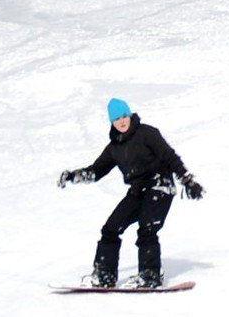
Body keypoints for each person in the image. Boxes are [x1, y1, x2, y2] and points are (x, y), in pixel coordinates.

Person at [57, 98, 204, 290]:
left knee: (147, 229)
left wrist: (187, 180)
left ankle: (149, 276)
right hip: (137, 192)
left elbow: (170, 156)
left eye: (124, 116)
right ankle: (104, 276)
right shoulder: (114, 147)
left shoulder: (147, 133)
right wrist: (72, 176)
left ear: (130, 115)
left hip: (160, 186)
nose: (122, 121)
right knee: (110, 229)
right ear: (112, 122)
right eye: (117, 118)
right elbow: (96, 171)